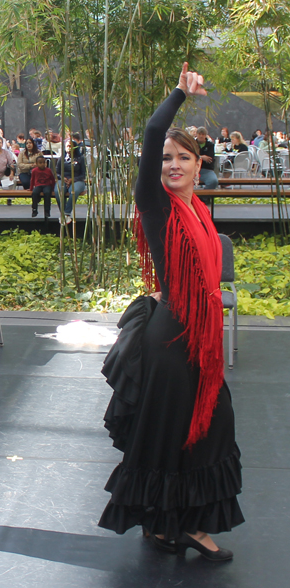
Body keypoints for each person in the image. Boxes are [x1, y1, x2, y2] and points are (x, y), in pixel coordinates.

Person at [99, 63, 244, 561]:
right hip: (170, 341)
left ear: (198, 162)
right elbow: (151, 130)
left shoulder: (201, 210)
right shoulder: (155, 204)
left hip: (198, 335)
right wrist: (179, 94)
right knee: (183, 432)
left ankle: (170, 525)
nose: (173, 164)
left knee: (200, 428)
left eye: (183, 157)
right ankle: (184, 526)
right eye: (166, 158)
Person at [54, 141, 86, 224]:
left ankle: (66, 213)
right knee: (58, 191)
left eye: (71, 146)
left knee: (73, 191)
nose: (69, 148)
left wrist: (73, 179)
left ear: (75, 147)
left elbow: (83, 174)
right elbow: (56, 172)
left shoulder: (80, 158)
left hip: (77, 180)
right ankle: (64, 214)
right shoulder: (62, 158)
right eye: (67, 146)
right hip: (63, 180)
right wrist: (62, 178)